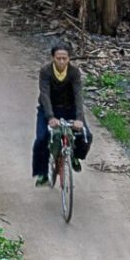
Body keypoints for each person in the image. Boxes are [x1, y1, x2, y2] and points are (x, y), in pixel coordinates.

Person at [33, 43, 92, 185]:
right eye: (58, 58)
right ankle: (42, 174)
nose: (61, 61)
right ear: (53, 58)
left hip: (69, 109)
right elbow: (45, 94)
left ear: (69, 59)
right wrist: (50, 117)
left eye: (64, 58)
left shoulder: (74, 72)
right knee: (42, 138)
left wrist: (79, 118)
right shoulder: (45, 71)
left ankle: (75, 157)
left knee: (85, 136)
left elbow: (78, 95)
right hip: (49, 109)